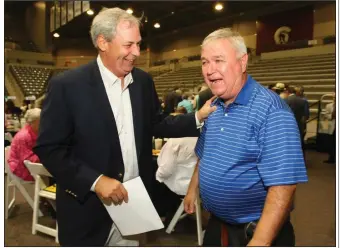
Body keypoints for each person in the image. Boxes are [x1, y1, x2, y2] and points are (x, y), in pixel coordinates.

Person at [34, 8, 215, 246]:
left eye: (138, 44)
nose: (137, 53)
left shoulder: (142, 81)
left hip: (132, 206)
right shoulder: (67, 86)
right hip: (86, 211)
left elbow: (155, 123)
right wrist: (96, 181)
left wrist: (198, 117)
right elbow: (50, 148)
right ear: (103, 42)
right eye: (129, 45)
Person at [184, 28, 308, 247]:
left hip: (256, 232)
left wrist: (260, 241)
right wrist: (192, 190)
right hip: (218, 227)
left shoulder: (272, 111)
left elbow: (284, 185)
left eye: (218, 60)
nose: (210, 70)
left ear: (242, 62)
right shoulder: (212, 106)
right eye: (204, 62)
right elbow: (204, 155)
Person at [7, 108, 41, 181]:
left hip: (30, 164)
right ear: (32, 122)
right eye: (40, 121)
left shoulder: (36, 131)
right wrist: (45, 155)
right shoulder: (24, 136)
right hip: (20, 167)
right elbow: (27, 159)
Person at [324, 93, 336, 163]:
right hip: (332, 125)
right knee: (331, 143)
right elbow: (326, 114)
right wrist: (332, 116)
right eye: (334, 97)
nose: (334, 99)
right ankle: (331, 158)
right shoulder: (329, 105)